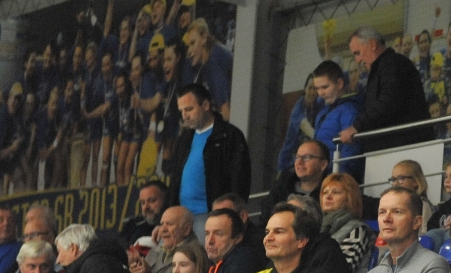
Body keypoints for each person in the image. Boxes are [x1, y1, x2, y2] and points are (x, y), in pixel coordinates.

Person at [165, 83, 251, 220]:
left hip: (212, 216)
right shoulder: (183, 140)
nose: (184, 116)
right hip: (181, 217)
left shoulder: (230, 136)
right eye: (181, 111)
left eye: (189, 109)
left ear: (205, 105)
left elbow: (240, 180)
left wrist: (232, 216)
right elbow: (174, 181)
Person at [132, 206, 196, 273]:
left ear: (186, 229)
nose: (163, 229)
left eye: (169, 224)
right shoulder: (164, 246)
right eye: (161, 224)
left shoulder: (194, 254)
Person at [309, 62, 363, 176]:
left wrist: (338, 177)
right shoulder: (323, 112)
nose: (320, 93)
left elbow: (350, 150)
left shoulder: (349, 110)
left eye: (325, 87)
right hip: (322, 175)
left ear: (339, 83)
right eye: (317, 88)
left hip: (335, 177)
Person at [318, 173, 375, 273]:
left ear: (349, 199)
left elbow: (341, 271)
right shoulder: (318, 227)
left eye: (336, 192)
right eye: (325, 192)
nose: (328, 196)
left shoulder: (358, 230)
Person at [265, 140, 331, 216]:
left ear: (323, 164)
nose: (299, 162)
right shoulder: (283, 185)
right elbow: (265, 217)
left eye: (306, 157)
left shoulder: (331, 191)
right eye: (297, 157)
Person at [388, 161, 437, 228]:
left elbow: (424, 231)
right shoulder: (391, 204)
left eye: (400, 178)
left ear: (415, 181)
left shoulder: (422, 205)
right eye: (393, 179)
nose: (395, 183)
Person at [120, 180, 170, 245]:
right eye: (143, 202)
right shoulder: (133, 226)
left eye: (151, 201)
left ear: (166, 200)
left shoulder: (174, 226)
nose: (146, 207)